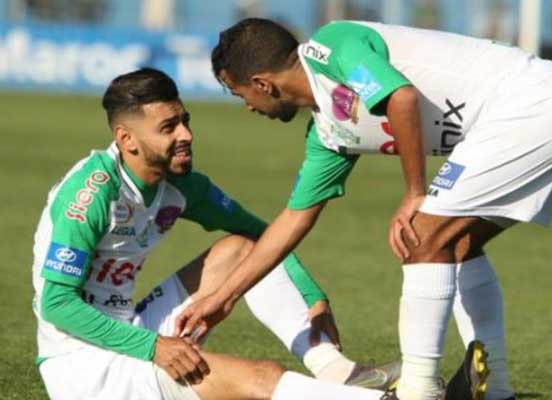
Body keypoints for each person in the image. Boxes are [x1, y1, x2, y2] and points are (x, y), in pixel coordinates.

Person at [175, 18, 552, 400]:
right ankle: (497, 389)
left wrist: (415, 192)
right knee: (458, 245)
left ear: (263, 83)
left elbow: (401, 97)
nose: (249, 107)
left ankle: (418, 389)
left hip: (536, 105)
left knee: (421, 238)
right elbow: (293, 220)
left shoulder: (333, 45)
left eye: (241, 94)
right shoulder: (328, 132)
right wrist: (224, 297)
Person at [31, 67, 420, 400]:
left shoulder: (181, 185)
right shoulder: (91, 194)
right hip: (82, 363)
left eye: (184, 120)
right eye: (168, 128)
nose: (186, 135)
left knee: (241, 249)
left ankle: (335, 370)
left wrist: (314, 297)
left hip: (129, 327)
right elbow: (56, 304)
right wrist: (155, 348)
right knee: (260, 377)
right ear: (126, 139)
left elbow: (264, 237)